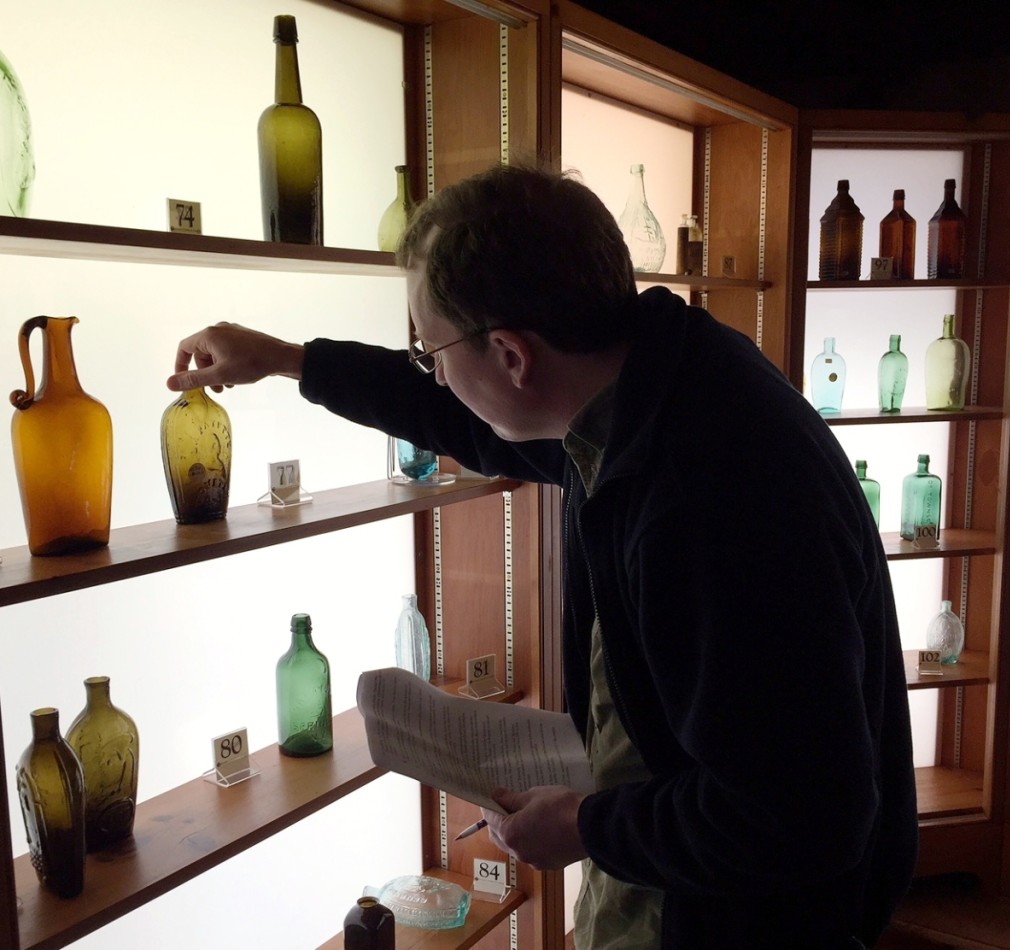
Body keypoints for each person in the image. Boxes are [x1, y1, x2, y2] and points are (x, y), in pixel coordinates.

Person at [168, 164, 918, 948]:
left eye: (431, 351)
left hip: (735, 920)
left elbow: (804, 819)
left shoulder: (703, 493)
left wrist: (589, 826)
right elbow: (467, 416)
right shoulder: (645, 381)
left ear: (513, 356)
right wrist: (289, 360)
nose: (434, 372)